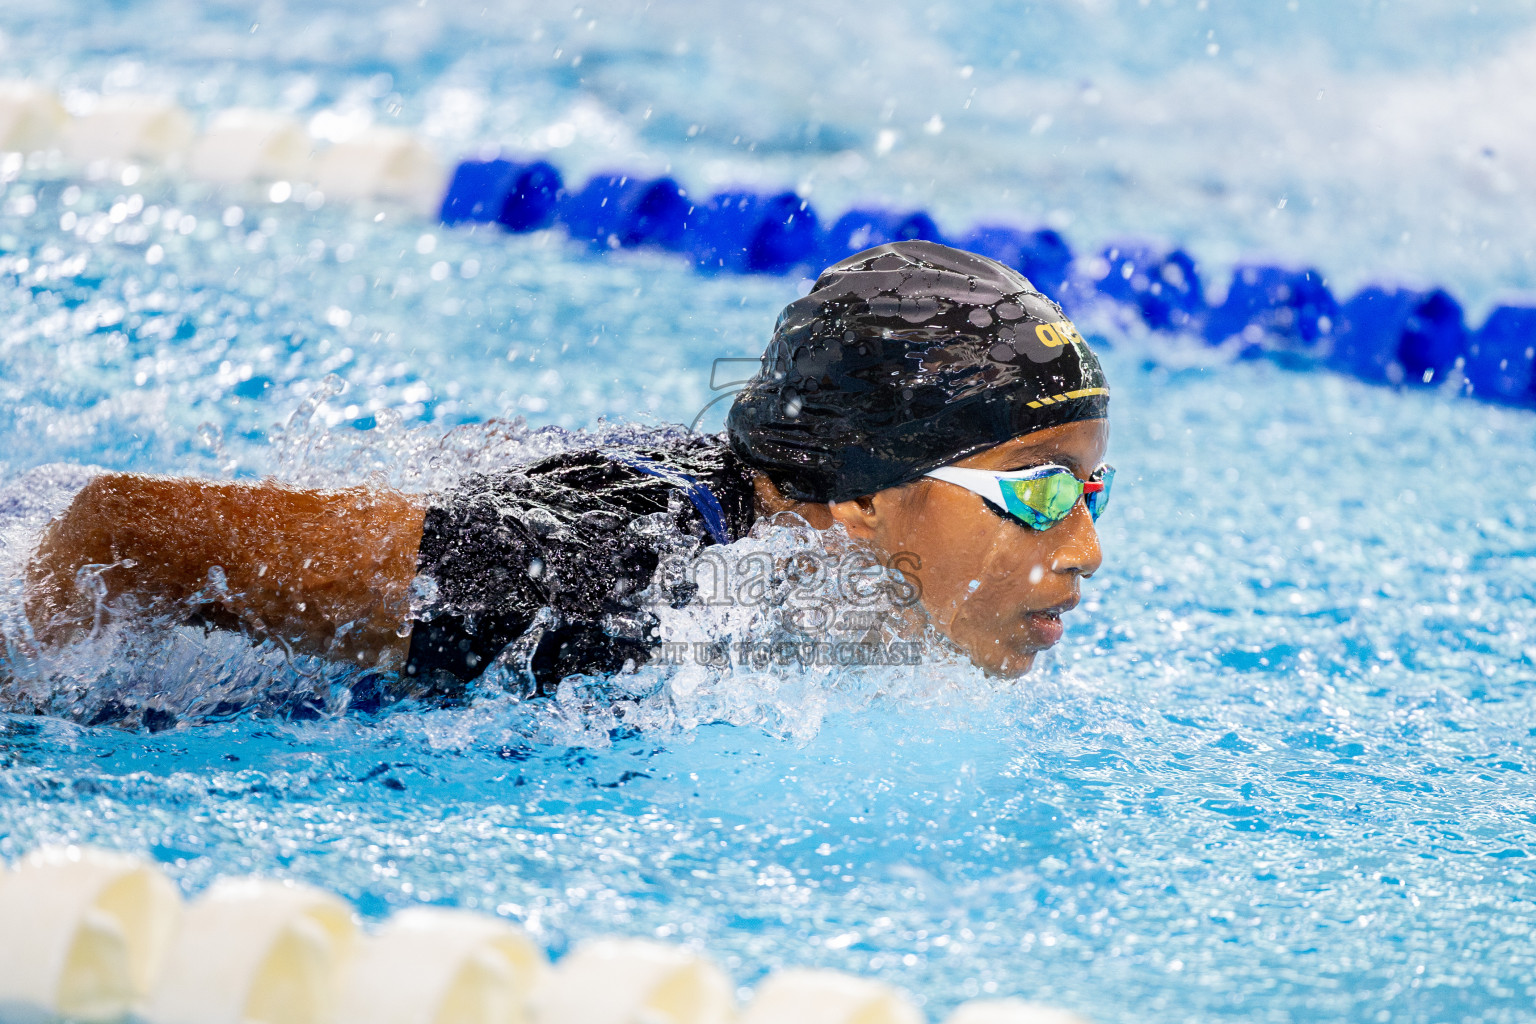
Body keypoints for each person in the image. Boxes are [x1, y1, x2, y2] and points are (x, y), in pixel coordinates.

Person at [21, 240, 1111, 704]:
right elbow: (125, 527)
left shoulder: (845, 569)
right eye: (1043, 493)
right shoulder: (599, 583)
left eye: (1093, 492)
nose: (1086, 551)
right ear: (869, 498)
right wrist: (41, 704)